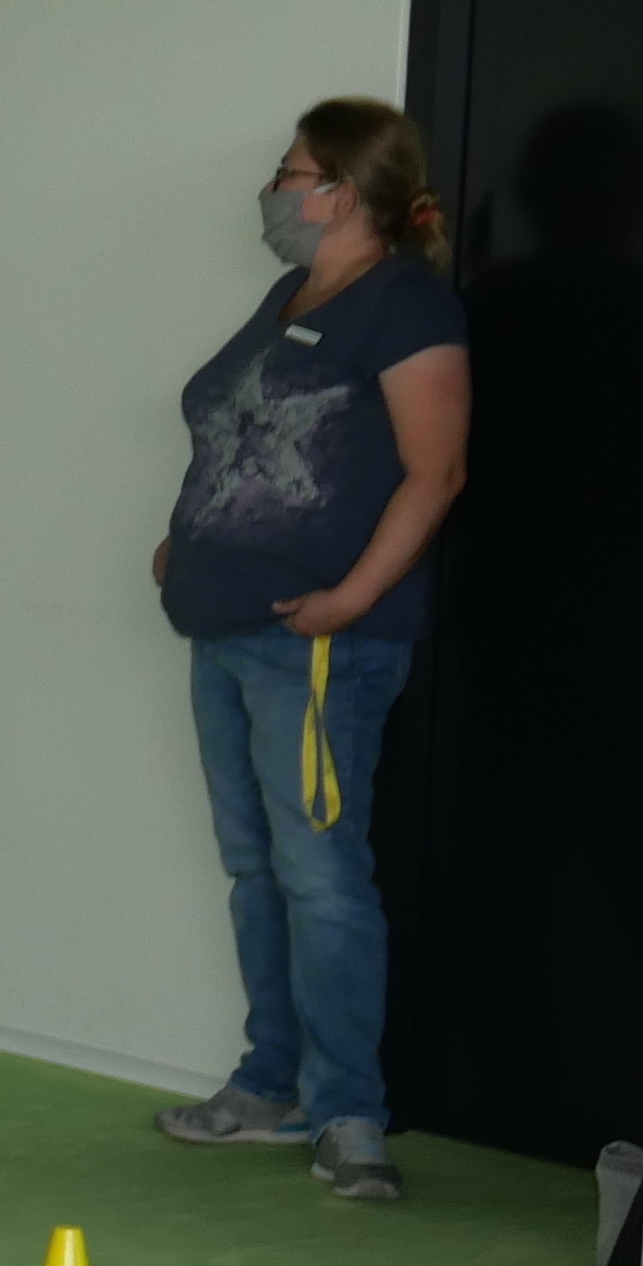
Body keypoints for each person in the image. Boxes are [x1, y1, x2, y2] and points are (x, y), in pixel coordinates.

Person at [147, 100, 471, 1204]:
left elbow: (435, 472)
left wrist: (350, 599)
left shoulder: (406, 305)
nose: (274, 191)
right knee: (255, 869)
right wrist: (184, 539)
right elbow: (247, 434)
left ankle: (348, 1114)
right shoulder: (290, 297)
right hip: (223, 627)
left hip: (315, 645)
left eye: (289, 173)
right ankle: (270, 1082)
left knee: (321, 878)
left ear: (340, 191)